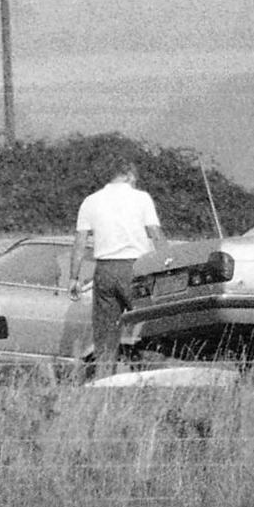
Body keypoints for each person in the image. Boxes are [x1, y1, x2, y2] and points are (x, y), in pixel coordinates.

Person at [69, 160, 167, 378]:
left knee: (105, 335)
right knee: (149, 327)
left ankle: (105, 382)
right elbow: (156, 234)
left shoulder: (90, 201)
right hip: (136, 268)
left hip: (104, 269)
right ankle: (150, 379)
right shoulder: (141, 198)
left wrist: (74, 277)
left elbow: (80, 242)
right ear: (130, 175)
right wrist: (168, 265)